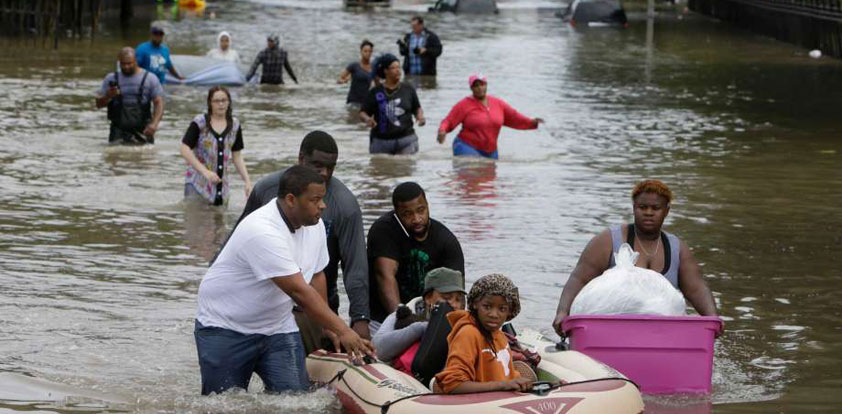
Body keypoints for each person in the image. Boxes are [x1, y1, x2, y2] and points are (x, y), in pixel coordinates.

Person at [194, 165, 375, 395]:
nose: (323, 205)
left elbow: (317, 275)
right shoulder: (262, 230)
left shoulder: (316, 226)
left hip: (277, 327)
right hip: (226, 327)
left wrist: (327, 326)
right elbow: (299, 291)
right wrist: (343, 330)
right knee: (224, 404)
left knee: (295, 401)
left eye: (323, 198)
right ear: (291, 199)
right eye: (315, 200)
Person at [218, 131, 371, 352]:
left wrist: (360, 319)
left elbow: (355, 267)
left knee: (307, 383)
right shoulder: (266, 190)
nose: (325, 173)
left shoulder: (345, 205)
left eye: (331, 167)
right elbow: (234, 243)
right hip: (261, 305)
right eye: (317, 166)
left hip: (315, 307)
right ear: (301, 159)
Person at [551, 180, 718, 335]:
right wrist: (562, 312)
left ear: (667, 211)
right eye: (642, 207)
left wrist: (713, 318)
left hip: (661, 333)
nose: (648, 213)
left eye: (655, 208)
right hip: (610, 330)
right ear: (633, 208)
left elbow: (696, 288)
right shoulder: (608, 241)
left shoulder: (677, 249)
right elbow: (579, 279)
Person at [367, 182, 464, 332]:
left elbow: (456, 293)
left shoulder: (445, 240)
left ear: (427, 206)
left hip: (429, 318)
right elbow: (385, 276)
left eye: (421, 210)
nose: (417, 219)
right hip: (383, 319)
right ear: (397, 214)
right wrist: (399, 318)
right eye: (407, 214)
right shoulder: (384, 231)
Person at [434, 274, 533, 394]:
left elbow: (508, 377)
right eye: (487, 307)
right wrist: (502, 385)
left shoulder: (501, 337)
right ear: (475, 304)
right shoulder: (468, 334)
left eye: (502, 309)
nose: (494, 314)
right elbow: (453, 385)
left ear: (509, 311)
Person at [437, 74, 544, 159]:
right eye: (476, 85)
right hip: (466, 146)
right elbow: (449, 121)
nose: (479, 88)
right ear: (471, 88)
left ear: (486, 85)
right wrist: (442, 130)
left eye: (482, 84)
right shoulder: (464, 105)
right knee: (471, 177)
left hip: (491, 151)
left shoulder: (498, 104)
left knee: (489, 183)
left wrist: (533, 122)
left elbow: (515, 117)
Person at [372, 267, 466, 363]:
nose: (454, 304)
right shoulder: (402, 314)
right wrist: (422, 328)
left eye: (458, 300)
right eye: (447, 298)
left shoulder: (465, 323)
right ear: (428, 297)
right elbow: (377, 350)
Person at [179, 86, 252, 206]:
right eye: (217, 101)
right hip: (197, 184)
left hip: (221, 187)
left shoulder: (235, 125)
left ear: (229, 102)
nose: (221, 104)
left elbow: (237, 156)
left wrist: (247, 181)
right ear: (210, 103)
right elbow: (184, 149)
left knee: (219, 222)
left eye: (224, 100)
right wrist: (205, 172)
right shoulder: (200, 123)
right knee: (195, 221)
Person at [95, 47, 164, 145]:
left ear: (136, 60)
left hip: (143, 130)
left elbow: (158, 103)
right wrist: (108, 96)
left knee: (146, 159)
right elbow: (98, 105)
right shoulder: (110, 78)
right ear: (119, 62)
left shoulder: (150, 78)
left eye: (129, 63)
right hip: (118, 131)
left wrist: (154, 124)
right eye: (123, 64)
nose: (126, 67)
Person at [360, 54, 425, 155]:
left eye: (399, 67)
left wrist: (420, 117)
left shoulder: (408, 89)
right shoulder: (375, 92)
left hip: (406, 139)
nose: (398, 70)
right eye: (393, 68)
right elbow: (363, 112)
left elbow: (417, 108)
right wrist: (368, 119)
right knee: (380, 169)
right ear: (385, 71)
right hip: (381, 142)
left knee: (405, 167)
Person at [338, 39, 374, 109]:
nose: (367, 53)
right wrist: (343, 80)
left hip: (365, 102)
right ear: (361, 51)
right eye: (365, 51)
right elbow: (341, 77)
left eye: (370, 51)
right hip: (353, 102)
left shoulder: (374, 68)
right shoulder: (354, 66)